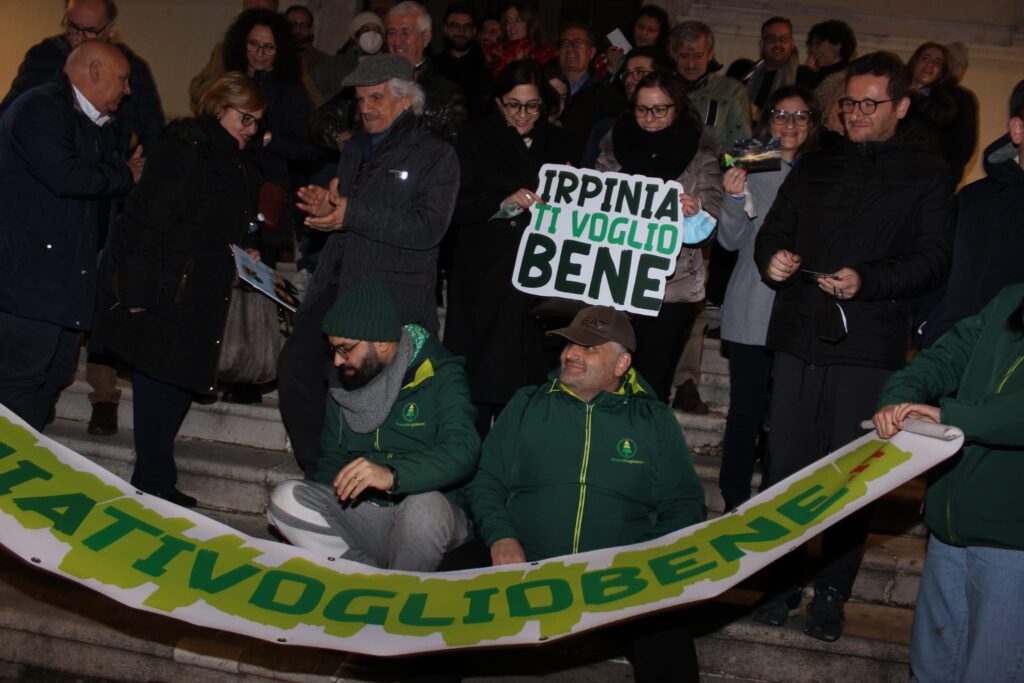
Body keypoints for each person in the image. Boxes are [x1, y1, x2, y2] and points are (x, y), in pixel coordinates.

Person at [752, 51, 954, 642]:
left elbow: (933, 260)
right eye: (849, 102)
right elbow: (774, 230)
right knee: (784, 470)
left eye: (871, 103)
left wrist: (868, 279)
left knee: (849, 477)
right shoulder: (816, 166)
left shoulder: (927, 174)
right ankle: (779, 582)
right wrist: (775, 258)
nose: (857, 113)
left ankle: (832, 592)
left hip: (868, 343)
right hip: (797, 335)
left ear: (901, 106)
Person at [465, 305, 707, 681]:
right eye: (568, 345)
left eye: (588, 347)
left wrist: (642, 560)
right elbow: (486, 482)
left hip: (618, 580)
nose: (569, 354)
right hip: (526, 564)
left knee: (669, 639)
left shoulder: (653, 419)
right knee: (445, 587)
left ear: (621, 363)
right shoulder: (528, 403)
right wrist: (501, 537)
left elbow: (685, 504)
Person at [88, 72, 265, 507]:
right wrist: (135, 293)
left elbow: (219, 223)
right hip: (168, 290)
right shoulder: (187, 146)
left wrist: (246, 254)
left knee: (180, 385)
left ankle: (153, 481)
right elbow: (145, 219)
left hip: (203, 293)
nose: (251, 130)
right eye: (245, 119)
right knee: (159, 387)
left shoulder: (234, 159)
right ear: (219, 107)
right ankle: (153, 484)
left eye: (257, 122)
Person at [278, 54, 459, 479]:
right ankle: (321, 475)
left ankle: (368, 481)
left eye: (375, 97)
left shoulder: (435, 155)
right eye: (360, 99)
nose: (366, 108)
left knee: (375, 398)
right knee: (297, 370)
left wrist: (351, 213)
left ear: (404, 100)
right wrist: (327, 207)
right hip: (337, 285)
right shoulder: (355, 148)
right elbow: (345, 209)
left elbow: (429, 227)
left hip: (391, 297)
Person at [0, 0, 165, 438]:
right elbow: (65, 175)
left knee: (51, 377)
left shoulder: (93, 122)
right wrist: (123, 175)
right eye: (122, 79)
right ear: (94, 73)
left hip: (63, 283)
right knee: (19, 384)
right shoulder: (41, 108)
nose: (128, 90)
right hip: (28, 285)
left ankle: (20, 472)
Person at [268, 279, 478, 571]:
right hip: (370, 518)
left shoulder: (441, 375)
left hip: (434, 517)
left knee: (423, 506)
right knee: (285, 499)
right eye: (334, 351)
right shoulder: (346, 382)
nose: (338, 361)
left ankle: (399, 598)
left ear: (380, 342)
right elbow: (332, 461)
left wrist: (393, 475)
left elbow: (463, 451)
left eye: (345, 349)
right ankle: (362, 579)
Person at [872, 282, 1024, 683]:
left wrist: (952, 416)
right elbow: (948, 355)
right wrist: (900, 395)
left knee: (993, 672)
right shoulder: (1011, 299)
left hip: (1012, 541)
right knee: (930, 670)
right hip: (951, 525)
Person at [444, 60, 574, 436]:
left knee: (528, 386)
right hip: (486, 277)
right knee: (479, 386)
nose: (522, 114)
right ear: (498, 102)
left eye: (532, 106)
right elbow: (455, 204)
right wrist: (500, 202)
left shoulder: (562, 142)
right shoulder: (473, 138)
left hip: (539, 283)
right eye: (513, 105)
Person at [717, 86, 820, 512]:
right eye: (780, 114)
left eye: (799, 116)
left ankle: (776, 500)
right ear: (767, 121)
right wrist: (734, 197)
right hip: (753, 307)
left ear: (813, 123)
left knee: (788, 419)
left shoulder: (825, 172)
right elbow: (729, 240)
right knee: (745, 412)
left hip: (803, 310)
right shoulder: (752, 166)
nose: (790, 124)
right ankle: (734, 500)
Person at [595, 71, 723, 401]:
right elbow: (593, 198)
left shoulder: (701, 151)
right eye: (642, 110)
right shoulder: (614, 142)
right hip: (614, 282)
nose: (650, 119)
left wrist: (695, 210)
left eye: (660, 110)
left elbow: (711, 216)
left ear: (677, 108)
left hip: (671, 288)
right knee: (605, 382)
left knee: (650, 385)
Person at [916, 80, 1024, 347]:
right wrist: (930, 327)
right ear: (1017, 130)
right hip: (966, 366)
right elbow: (937, 270)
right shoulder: (973, 201)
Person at [221, 8, 323, 273]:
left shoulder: (291, 92)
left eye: (268, 47)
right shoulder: (229, 83)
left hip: (266, 193)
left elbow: (312, 149)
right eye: (254, 44)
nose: (259, 53)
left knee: (256, 275)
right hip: (224, 189)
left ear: (280, 51)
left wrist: (268, 139)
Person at [384, 0, 466, 144]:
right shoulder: (374, 80)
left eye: (405, 33)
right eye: (392, 33)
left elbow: (457, 149)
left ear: (425, 38)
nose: (397, 42)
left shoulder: (447, 93)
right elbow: (334, 113)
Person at [670, 20, 752, 150]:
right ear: (675, 55)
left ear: (710, 55)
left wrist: (724, 166)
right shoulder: (662, 90)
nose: (690, 64)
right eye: (684, 56)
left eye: (698, 56)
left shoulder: (733, 91)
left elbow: (742, 148)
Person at [188, 0, 280, 112]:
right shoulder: (225, 51)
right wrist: (226, 90)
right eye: (251, 13)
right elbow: (197, 91)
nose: (260, 53)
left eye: (268, 47)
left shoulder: (288, 58)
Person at [558, 23, 626, 164]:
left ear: (592, 52)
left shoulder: (608, 94)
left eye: (578, 43)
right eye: (565, 43)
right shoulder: (544, 84)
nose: (570, 48)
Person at [432, 2, 493, 120]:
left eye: (467, 26)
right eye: (455, 26)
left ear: (474, 31)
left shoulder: (487, 65)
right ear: (445, 29)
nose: (461, 31)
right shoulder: (433, 65)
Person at [746, 17, 816, 119]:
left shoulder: (806, 77)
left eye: (784, 39)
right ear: (762, 45)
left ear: (792, 44)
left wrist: (758, 115)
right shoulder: (748, 76)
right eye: (771, 38)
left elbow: (808, 119)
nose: (778, 44)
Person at [310, 11, 385, 102]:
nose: (372, 35)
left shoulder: (390, 67)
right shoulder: (332, 66)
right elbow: (315, 97)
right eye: (365, 30)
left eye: (377, 31)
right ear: (354, 36)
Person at [484, 2, 558, 77]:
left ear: (530, 22)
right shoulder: (494, 53)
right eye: (508, 21)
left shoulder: (545, 55)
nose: (512, 26)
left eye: (519, 19)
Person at [599, 5, 672, 78]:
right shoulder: (618, 52)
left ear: (661, 34)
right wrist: (612, 67)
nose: (644, 33)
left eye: (652, 30)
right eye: (640, 26)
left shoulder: (664, 63)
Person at [285, 4, 329, 106]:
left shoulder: (324, 61)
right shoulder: (274, 57)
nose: (298, 30)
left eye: (304, 25)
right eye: (293, 24)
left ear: (311, 29)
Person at [804, 19, 857, 88]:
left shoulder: (847, 76)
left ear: (837, 44)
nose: (812, 50)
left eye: (818, 44)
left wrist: (807, 74)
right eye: (811, 46)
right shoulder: (818, 75)